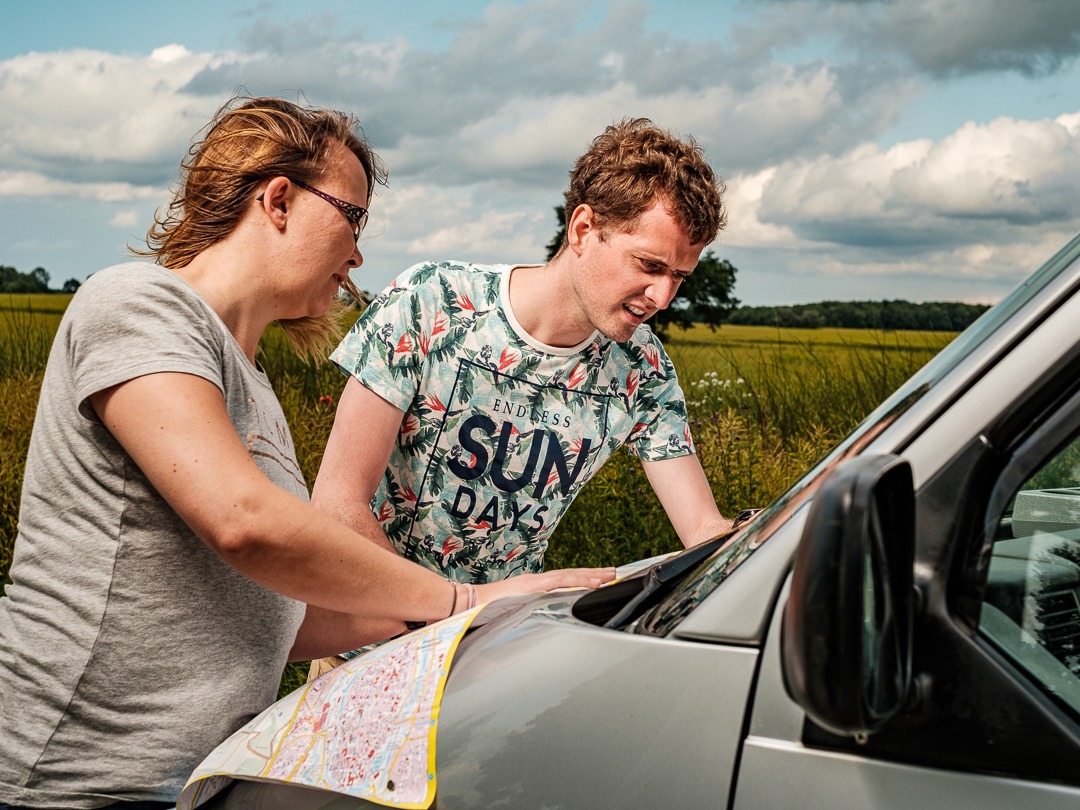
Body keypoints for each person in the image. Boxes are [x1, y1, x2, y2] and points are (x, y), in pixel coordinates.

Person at [0, 96, 610, 810]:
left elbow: (276, 616)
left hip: (194, 782)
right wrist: (463, 596)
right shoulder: (135, 304)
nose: (357, 254)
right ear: (279, 199)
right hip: (72, 783)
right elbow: (244, 522)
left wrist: (482, 620)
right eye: (352, 218)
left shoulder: (251, 386)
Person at [310, 117, 733, 655]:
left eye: (680, 276)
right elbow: (338, 505)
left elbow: (703, 528)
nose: (662, 296)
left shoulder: (643, 368)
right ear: (582, 229)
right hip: (366, 648)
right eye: (649, 265)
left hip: (491, 656)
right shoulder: (431, 301)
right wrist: (449, 611)